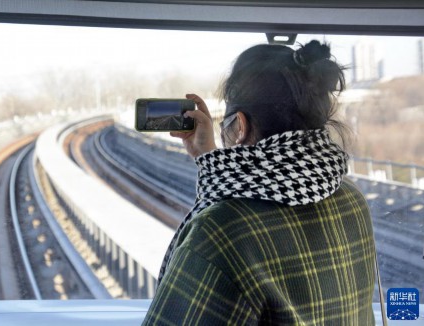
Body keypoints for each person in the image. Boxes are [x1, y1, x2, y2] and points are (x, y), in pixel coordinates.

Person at [142, 40, 376, 325]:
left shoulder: (221, 232)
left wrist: (215, 170)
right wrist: (208, 158)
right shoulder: (352, 199)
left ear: (239, 126)